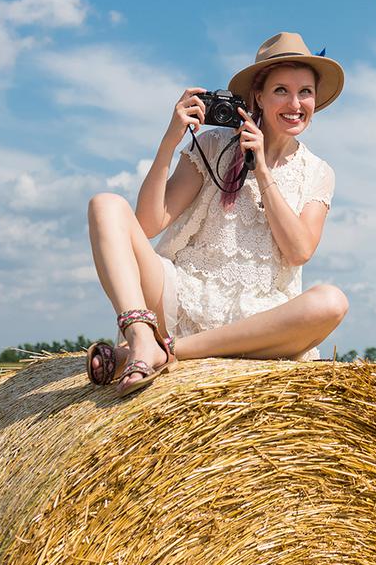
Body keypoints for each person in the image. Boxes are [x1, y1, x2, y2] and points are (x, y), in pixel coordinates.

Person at [85, 32, 349, 395]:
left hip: (257, 325)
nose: (295, 103)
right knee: (105, 204)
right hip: (181, 299)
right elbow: (147, 224)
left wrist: (263, 171)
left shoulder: (319, 171)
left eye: (305, 91)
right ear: (258, 95)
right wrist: (170, 139)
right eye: (281, 91)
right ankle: (140, 334)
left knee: (332, 301)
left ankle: (170, 352)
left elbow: (299, 251)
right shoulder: (212, 145)